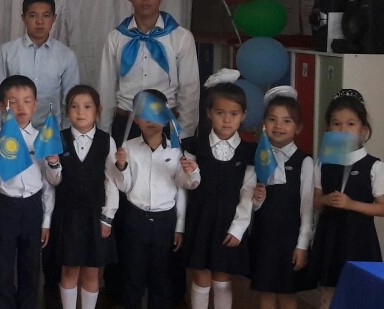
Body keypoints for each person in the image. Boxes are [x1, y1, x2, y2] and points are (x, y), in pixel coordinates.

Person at [113, 89, 201, 309]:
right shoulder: (128, 148)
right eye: (144, 115)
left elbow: (185, 186)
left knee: (161, 278)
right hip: (135, 219)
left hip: (165, 222)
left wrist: (191, 172)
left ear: (166, 116)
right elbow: (124, 186)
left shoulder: (177, 150)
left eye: (156, 114)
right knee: (132, 276)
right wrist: (121, 166)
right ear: (135, 118)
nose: (151, 120)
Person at [180, 69, 256, 309]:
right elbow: (188, 185)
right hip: (201, 218)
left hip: (228, 222)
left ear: (243, 116)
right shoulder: (195, 146)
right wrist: (191, 172)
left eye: (234, 114)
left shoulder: (249, 152)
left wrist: (239, 228)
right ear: (209, 113)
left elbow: (247, 193)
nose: (226, 120)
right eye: (220, 113)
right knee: (201, 276)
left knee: (222, 278)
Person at [98, 0, 199, 141]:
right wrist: (104, 134)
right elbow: (105, 87)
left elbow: (190, 90)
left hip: (165, 121)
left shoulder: (181, 37)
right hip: (126, 121)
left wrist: (184, 134)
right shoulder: (116, 37)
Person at [44, 85, 118, 309]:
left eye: (87, 106)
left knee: (92, 271)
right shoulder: (59, 138)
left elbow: (111, 181)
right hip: (67, 215)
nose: (80, 112)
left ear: (98, 110)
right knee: (69, 270)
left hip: (95, 215)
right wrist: (53, 164)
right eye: (74, 107)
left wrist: (107, 217)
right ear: (67, 111)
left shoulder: (107, 141)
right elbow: (53, 181)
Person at [0, 75, 55, 309]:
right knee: (1, 264)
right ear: (1, 106)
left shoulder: (41, 139)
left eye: (27, 101)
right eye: (12, 102)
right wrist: (4, 160)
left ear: (35, 105)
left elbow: (50, 183)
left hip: (33, 208)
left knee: (31, 266)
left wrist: (46, 220)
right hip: (5, 207)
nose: (20, 107)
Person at [311, 89, 384, 307]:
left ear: (363, 130)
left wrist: (351, 204)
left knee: (360, 295)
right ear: (328, 128)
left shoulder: (374, 166)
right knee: (329, 296)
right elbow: (315, 201)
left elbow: (382, 207)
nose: (343, 130)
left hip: (360, 240)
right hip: (330, 238)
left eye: (351, 124)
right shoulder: (322, 163)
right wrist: (326, 200)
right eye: (336, 124)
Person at [249, 86, 315, 309]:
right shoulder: (258, 156)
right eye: (272, 119)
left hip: (290, 238)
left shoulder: (304, 161)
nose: (278, 126)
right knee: (265, 292)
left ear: (298, 127)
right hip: (263, 235)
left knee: (287, 294)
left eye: (287, 121)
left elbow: (307, 207)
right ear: (264, 124)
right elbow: (251, 201)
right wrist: (256, 200)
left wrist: (302, 245)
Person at [0, 0, 79, 132]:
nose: (39, 22)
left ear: (54, 18)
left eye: (46, 16)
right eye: (33, 15)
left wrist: (64, 134)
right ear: (23, 18)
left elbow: (71, 101)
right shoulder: (7, 52)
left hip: (51, 133)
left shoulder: (66, 55)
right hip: (13, 132)